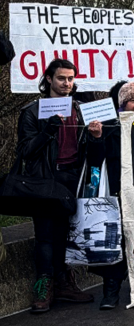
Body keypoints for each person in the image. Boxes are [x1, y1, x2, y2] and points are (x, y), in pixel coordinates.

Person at [17, 58, 102, 312]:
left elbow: (95, 153)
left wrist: (96, 137)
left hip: (72, 178)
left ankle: (64, 283)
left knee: (66, 233)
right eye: (61, 78)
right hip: (44, 180)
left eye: (70, 79)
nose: (67, 83)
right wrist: (47, 131)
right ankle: (43, 287)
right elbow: (25, 151)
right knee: (45, 235)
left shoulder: (82, 109)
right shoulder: (32, 111)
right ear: (49, 80)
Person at [93, 81, 134, 309]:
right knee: (116, 241)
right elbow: (97, 159)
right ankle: (111, 291)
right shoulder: (109, 125)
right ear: (122, 103)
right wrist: (97, 138)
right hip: (118, 192)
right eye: (133, 100)